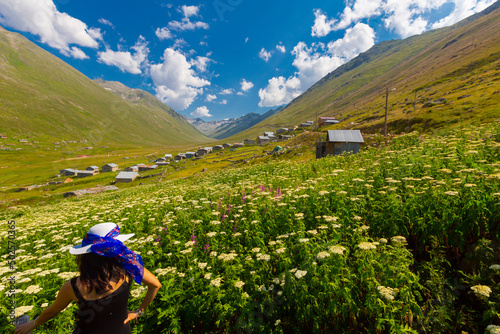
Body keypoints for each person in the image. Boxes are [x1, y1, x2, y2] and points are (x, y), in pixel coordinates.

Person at [15, 222, 161, 334]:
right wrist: (138, 312)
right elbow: (155, 285)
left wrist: (32, 324)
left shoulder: (74, 286)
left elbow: (51, 312)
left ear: (86, 256)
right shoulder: (129, 268)